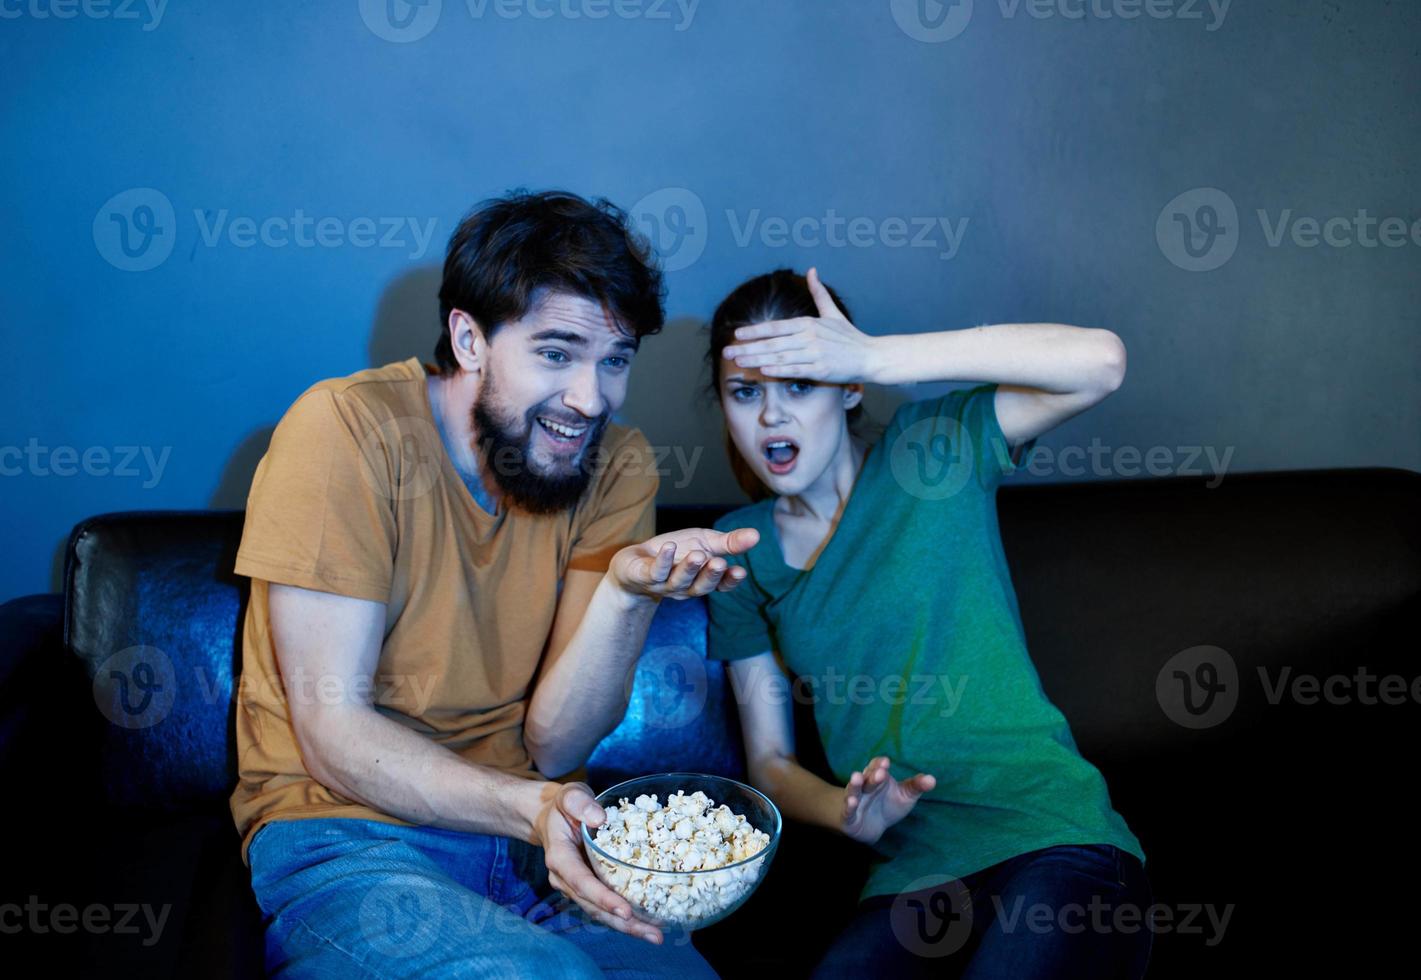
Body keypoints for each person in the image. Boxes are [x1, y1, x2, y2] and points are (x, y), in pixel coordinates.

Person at [230, 189, 757, 978]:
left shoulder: (616, 466)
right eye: (556, 353)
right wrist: (533, 809)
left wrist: (621, 593)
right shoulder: (345, 431)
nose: (589, 399)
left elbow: (556, 747)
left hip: (533, 845)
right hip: (350, 832)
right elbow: (332, 736)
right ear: (469, 339)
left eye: (613, 361)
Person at [703, 267, 1152, 978]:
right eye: (745, 392)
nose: (770, 418)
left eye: (801, 383)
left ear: (848, 389)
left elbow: (1100, 362)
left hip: (1047, 834)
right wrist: (847, 814)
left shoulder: (931, 449)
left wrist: (876, 357)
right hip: (911, 877)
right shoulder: (738, 551)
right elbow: (769, 765)